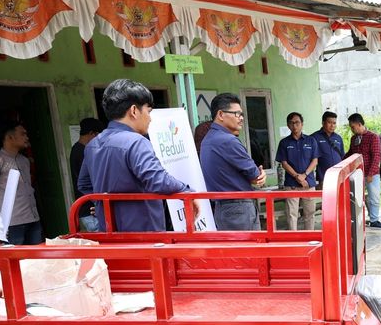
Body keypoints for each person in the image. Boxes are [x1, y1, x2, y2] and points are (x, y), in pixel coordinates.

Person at [78, 79, 196, 232]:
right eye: (148, 111)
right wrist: (186, 191)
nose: (150, 118)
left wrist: (102, 202)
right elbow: (157, 179)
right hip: (143, 231)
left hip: (108, 231)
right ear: (134, 111)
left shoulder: (92, 145)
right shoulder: (136, 142)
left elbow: (84, 184)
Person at [200, 92, 266, 231]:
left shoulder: (208, 139)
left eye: (242, 115)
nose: (241, 118)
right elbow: (255, 175)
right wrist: (259, 175)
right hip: (238, 208)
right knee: (248, 251)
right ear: (221, 115)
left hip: (223, 208)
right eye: (237, 114)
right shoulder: (228, 140)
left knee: (234, 251)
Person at [0, 122, 42, 244]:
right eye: (23, 134)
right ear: (10, 137)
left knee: (36, 257)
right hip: (12, 223)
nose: (27, 138)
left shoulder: (24, 161)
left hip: (33, 218)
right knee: (15, 259)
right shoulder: (1, 159)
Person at [276, 112, 319, 230]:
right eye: (292, 123)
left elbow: (315, 161)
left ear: (302, 124)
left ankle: (309, 238)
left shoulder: (311, 141)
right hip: (291, 184)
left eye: (297, 122)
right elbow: (284, 163)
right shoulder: (284, 143)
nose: (295, 126)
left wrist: (304, 175)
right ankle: (293, 239)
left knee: (309, 214)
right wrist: (296, 176)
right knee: (291, 214)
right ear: (288, 125)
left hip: (308, 183)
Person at [345, 113, 381, 228]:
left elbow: (376, 156)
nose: (352, 130)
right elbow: (350, 153)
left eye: (353, 127)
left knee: (374, 197)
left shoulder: (373, 137)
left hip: (371, 173)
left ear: (359, 124)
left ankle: (374, 220)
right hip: (357, 174)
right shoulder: (354, 139)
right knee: (357, 199)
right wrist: (340, 162)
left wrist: (371, 173)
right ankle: (359, 221)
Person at [70, 117, 104, 232]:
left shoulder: (76, 149)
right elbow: (88, 182)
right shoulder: (84, 152)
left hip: (87, 208)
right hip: (90, 209)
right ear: (92, 134)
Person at [312, 111, 345, 187]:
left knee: (339, 198)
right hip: (324, 178)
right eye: (329, 122)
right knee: (327, 199)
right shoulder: (314, 137)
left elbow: (343, 156)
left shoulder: (338, 138)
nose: (332, 125)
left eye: (334, 123)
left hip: (339, 177)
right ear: (323, 123)